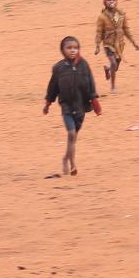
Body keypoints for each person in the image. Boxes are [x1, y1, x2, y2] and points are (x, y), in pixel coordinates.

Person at [42, 35, 99, 177]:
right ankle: (72, 163)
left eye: (75, 48)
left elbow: (91, 83)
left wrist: (95, 101)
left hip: (81, 106)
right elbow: (52, 87)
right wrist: (48, 103)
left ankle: (64, 159)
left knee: (72, 138)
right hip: (66, 106)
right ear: (62, 50)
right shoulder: (58, 68)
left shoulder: (84, 65)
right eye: (69, 48)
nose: (72, 50)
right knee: (71, 133)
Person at [94, 0, 139, 95]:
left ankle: (108, 70)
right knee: (113, 63)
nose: (111, 2)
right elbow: (98, 32)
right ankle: (113, 87)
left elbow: (126, 29)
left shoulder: (121, 14)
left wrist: (134, 43)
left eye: (113, 0)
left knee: (116, 66)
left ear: (116, 1)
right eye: (109, 0)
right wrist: (97, 45)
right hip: (108, 44)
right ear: (105, 2)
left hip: (119, 44)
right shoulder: (101, 17)